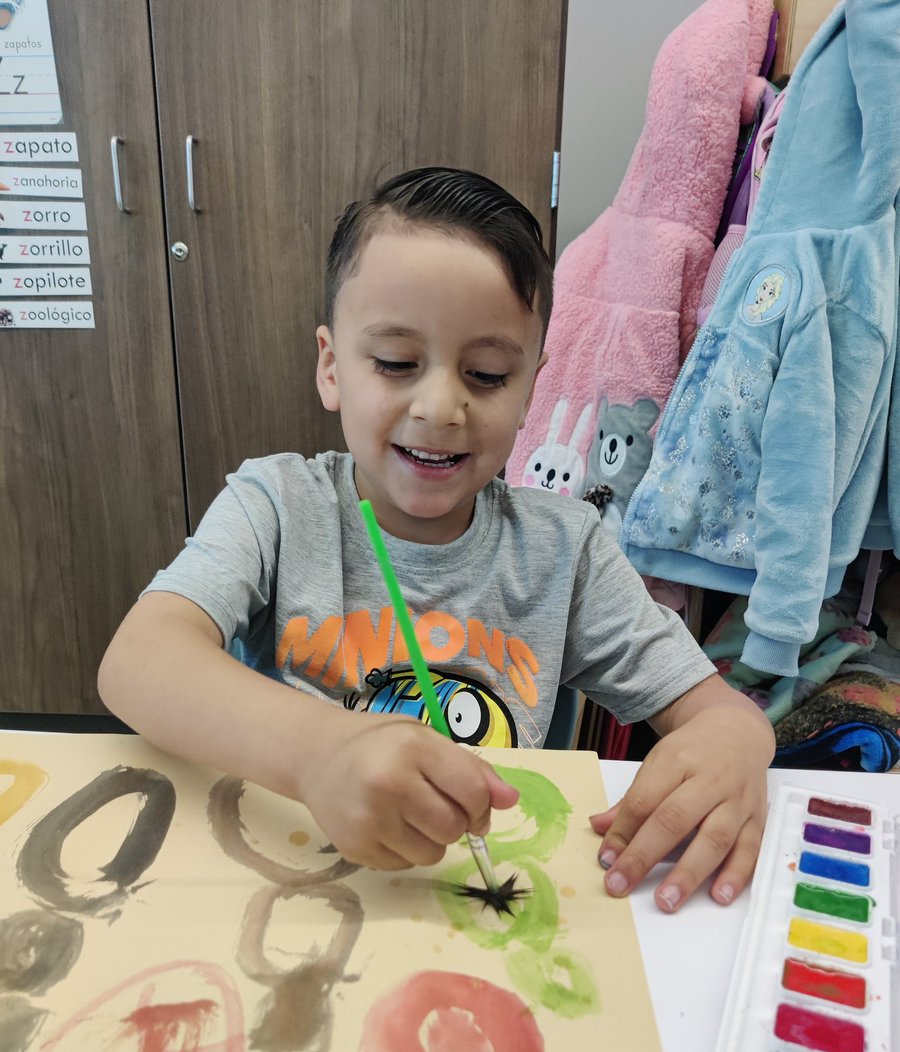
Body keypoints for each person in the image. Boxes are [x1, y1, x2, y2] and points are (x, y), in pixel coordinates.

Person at [98, 166, 775, 913]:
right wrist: (319, 751)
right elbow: (138, 661)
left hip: (475, 903)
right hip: (287, 885)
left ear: (531, 387)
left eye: (486, 375)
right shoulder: (277, 504)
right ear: (331, 366)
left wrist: (736, 742)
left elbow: (716, 712)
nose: (441, 406)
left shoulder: (566, 550)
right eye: (395, 363)